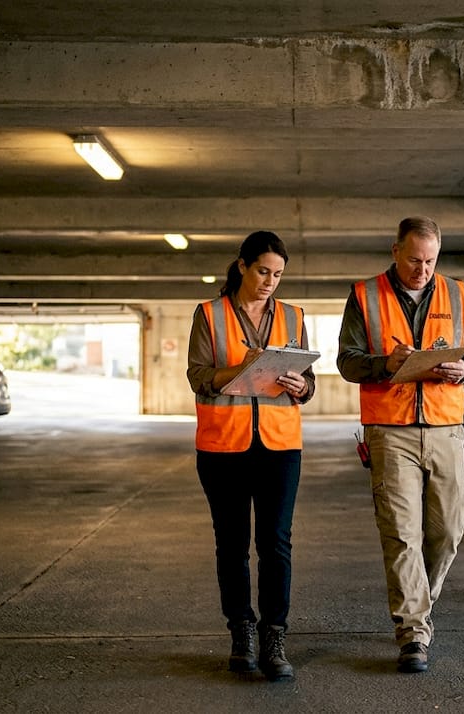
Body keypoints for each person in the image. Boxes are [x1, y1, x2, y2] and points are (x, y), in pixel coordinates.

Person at [336, 216, 464, 673]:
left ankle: (418, 603)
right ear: (394, 251)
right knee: (402, 533)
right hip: (390, 430)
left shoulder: (459, 294)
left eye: (430, 261)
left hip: (446, 428)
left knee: (447, 530)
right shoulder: (364, 296)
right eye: (413, 260)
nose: (422, 270)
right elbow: (347, 362)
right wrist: (387, 363)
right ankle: (413, 633)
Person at [186, 230, 315, 682]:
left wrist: (303, 385)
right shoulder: (209, 315)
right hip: (224, 445)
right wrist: (240, 371)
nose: (270, 281)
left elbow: (308, 379)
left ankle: (274, 635)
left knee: (276, 544)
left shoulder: (294, 316)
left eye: (278, 274)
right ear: (242, 265)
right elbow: (198, 375)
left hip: (280, 446)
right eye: (263, 271)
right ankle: (241, 632)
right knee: (233, 544)